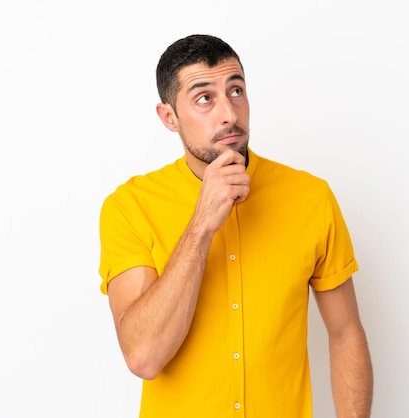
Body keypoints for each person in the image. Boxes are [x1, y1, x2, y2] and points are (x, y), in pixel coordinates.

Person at [98, 34, 373, 418]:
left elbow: (346, 334)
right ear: (169, 117)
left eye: (236, 90)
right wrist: (201, 226)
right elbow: (143, 356)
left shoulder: (311, 197)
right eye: (204, 98)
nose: (229, 113)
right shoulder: (129, 207)